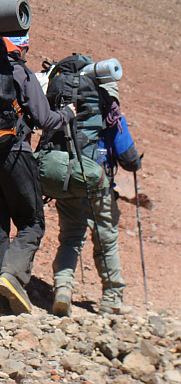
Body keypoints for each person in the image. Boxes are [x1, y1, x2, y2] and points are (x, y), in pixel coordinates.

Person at [0, 34, 75, 317]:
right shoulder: (19, 70)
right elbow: (45, 119)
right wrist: (67, 113)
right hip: (15, 153)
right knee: (32, 222)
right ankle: (12, 276)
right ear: (21, 47)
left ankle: (2, 306)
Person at [42, 54, 142, 317]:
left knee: (71, 238)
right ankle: (112, 298)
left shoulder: (65, 106)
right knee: (106, 240)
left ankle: (63, 290)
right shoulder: (111, 113)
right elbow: (128, 157)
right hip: (98, 183)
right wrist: (135, 164)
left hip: (68, 178)